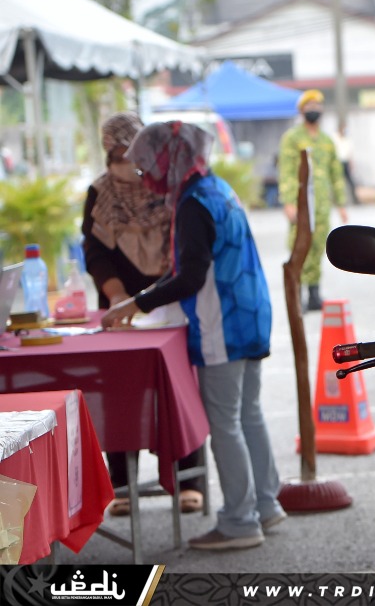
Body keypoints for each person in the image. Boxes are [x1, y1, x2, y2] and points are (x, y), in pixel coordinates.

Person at [101, 120, 286, 551]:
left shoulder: (192, 204)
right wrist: (144, 297)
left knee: (226, 422)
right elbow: (189, 265)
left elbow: (190, 277)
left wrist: (136, 304)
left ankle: (240, 522)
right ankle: (265, 504)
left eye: (148, 168)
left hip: (223, 322)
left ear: (169, 160)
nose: (145, 179)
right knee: (248, 413)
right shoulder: (214, 188)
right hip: (249, 314)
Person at [81, 112, 205, 518]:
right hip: (120, 306)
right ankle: (121, 485)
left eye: (129, 151)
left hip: (170, 299)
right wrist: (119, 298)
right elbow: (95, 251)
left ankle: (189, 479)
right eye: (115, 153)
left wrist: (155, 296)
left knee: (179, 388)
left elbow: (186, 250)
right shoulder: (99, 193)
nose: (123, 160)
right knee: (118, 392)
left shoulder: (168, 188)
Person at [278, 89, 349, 311]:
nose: (314, 111)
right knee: (299, 246)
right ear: (301, 111)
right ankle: (296, 293)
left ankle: (313, 294)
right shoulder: (292, 138)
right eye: (309, 108)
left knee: (318, 247)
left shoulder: (327, 141)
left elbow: (336, 173)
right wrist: (288, 202)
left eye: (317, 107)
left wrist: (341, 203)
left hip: (321, 206)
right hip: (301, 205)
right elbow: (287, 171)